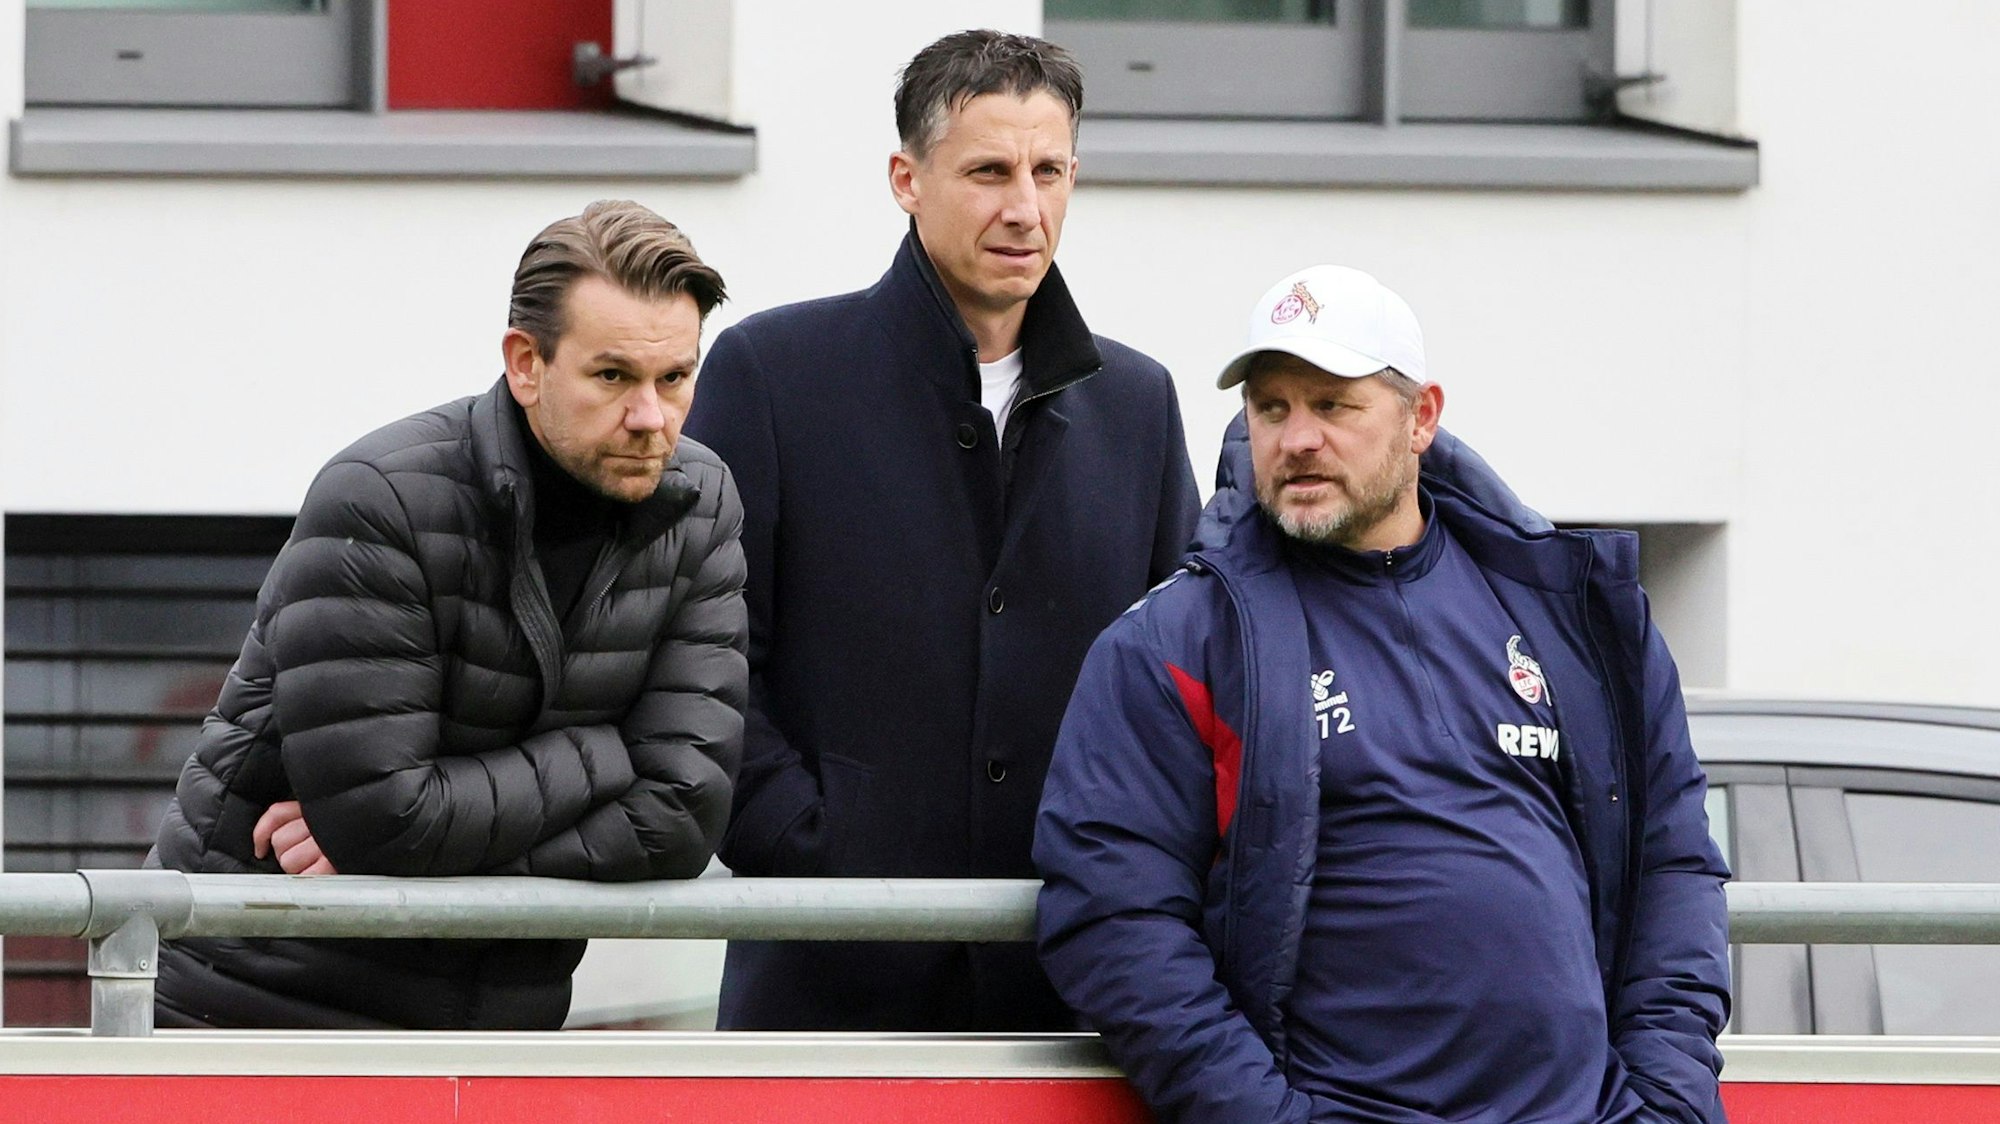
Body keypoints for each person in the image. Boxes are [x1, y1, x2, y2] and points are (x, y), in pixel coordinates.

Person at [1035, 265, 1731, 1122]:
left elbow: (1675, 862)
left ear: (1421, 418)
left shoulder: (1572, 617)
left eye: (1333, 405)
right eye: (1271, 407)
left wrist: (1664, 1101)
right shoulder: (1176, 643)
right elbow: (1113, 917)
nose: (1297, 438)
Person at [683, 29, 1202, 1030]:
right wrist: (813, 848)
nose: (1024, 206)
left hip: (1070, 995)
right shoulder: (771, 374)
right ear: (905, 179)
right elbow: (704, 663)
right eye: (988, 171)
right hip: (824, 996)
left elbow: (1180, 677)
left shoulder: (1138, 402)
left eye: (1048, 171)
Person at [147, 200, 749, 1030]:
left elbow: (685, 817)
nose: (651, 418)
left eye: (674, 378)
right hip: (264, 1006)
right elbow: (386, 818)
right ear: (525, 364)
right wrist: (605, 751)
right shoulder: (382, 498)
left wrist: (432, 849)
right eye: (613, 377)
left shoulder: (701, 501)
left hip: (495, 1019)